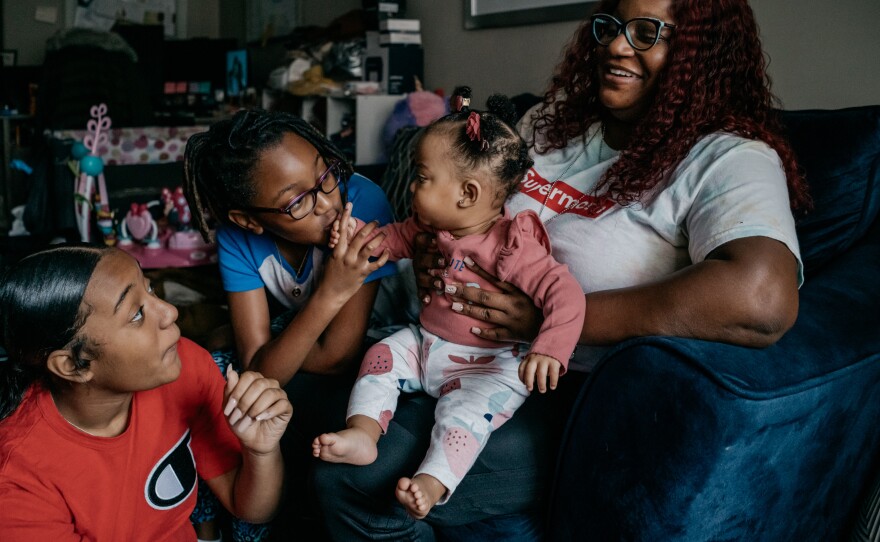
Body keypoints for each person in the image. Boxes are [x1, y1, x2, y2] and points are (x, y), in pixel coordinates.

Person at [312, 0, 810, 539]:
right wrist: (437, 242)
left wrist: (549, 325)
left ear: (700, 51)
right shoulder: (552, 124)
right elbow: (471, 201)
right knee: (333, 413)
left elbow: (762, 299)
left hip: (549, 383)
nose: (618, 45)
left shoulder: (727, 159)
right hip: (441, 339)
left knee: (351, 478)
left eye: (648, 33)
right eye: (611, 27)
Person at [312, 89, 586, 518]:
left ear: (466, 193)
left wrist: (550, 347)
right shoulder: (428, 225)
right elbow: (393, 239)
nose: (412, 186)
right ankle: (363, 433)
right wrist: (357, 239)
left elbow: (564, 292)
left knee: (465, 418)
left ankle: (433, 481)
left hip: (487, 365)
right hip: (426, 344)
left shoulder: (510, 246)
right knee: (381, 355)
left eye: (421, 177)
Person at [183, 108, 395, 538]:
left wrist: (279, 344)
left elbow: (338, 356)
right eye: (298, 202)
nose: (330, 203)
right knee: (210, 382)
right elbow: (259, 371)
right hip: (306, 339)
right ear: (249, 220)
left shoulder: (363, 203)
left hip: (387, 346)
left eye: (326, 174)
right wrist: (333, 291)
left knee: (240, 377)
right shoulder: (235, 237)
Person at [0, 245, 292, 541]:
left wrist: (261, 452)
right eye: (137, 314)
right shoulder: (18, 480)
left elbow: (253, 509)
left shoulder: (184, 366)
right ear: (74, 365)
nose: (170, 311)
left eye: (149, 288)